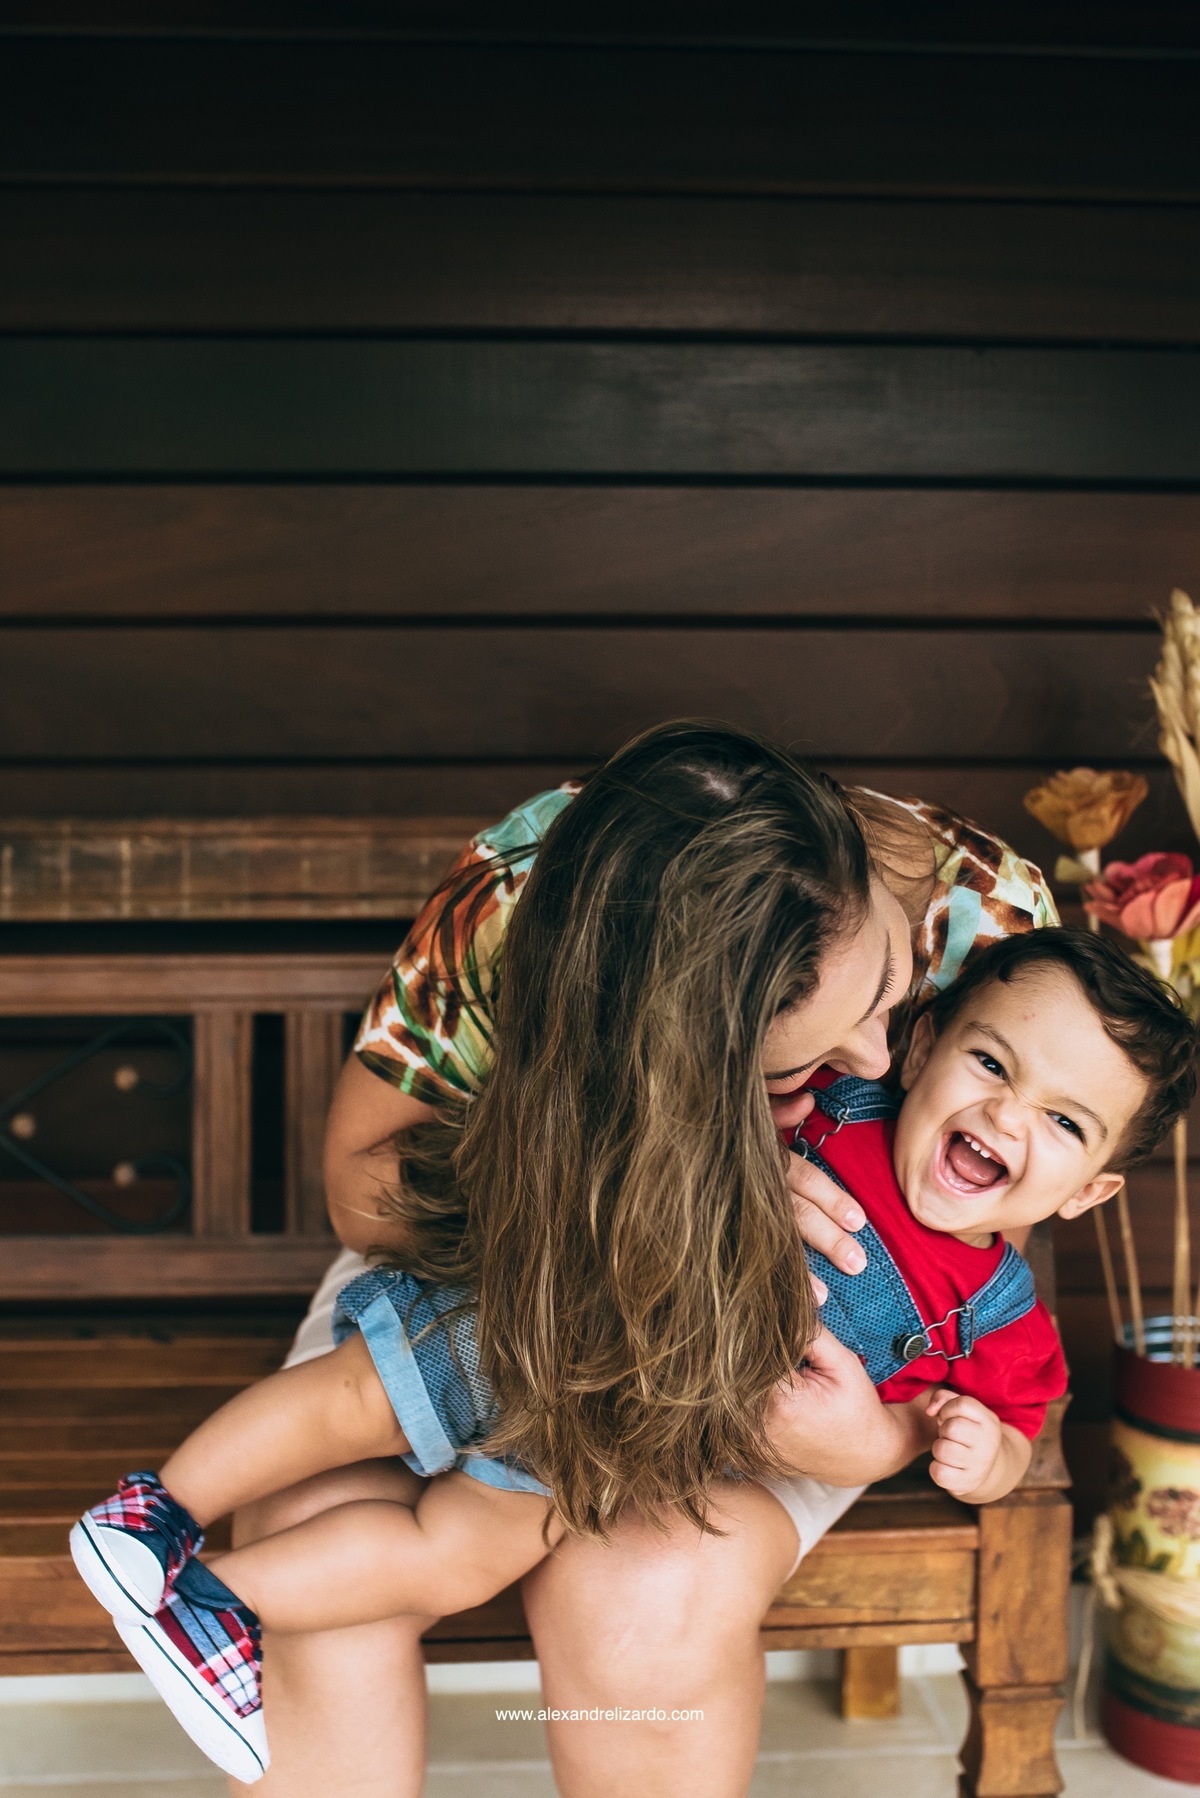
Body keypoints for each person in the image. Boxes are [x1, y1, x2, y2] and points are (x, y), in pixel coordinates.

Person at [69, 926, 1194, 1784]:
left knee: (466, 1550)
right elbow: (573, 1143)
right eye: (992, 1063)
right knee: (354, 1424)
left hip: (625, 1438)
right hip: (557, 1310)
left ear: (1091, 1192)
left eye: (1064, 1123)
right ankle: (155, 1535)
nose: (1008, 1113)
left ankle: (206, 1596)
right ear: (925, 1041)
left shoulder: (999, 1314)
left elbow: (1016, 1424)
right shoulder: (830, 1092)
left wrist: (938, 1442)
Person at [232, 723, 1060, 1798]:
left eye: (889, 987)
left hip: (792, 1351)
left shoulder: (988, 918)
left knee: (649, 1594)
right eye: (805, 1054)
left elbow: (982, 1272)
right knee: (310, 1535)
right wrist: (667, 1185)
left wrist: (883, 1434)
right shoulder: (521, 896)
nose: (871, 1058)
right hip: (498, 1269)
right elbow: (363, 1186)